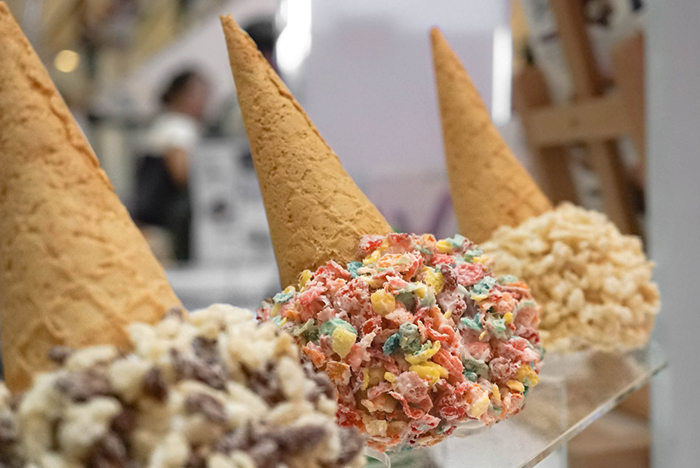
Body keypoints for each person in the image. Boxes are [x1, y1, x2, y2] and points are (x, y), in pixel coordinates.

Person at [133, 69, 209, 262]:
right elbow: (182, 174)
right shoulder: (179, 127)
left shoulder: (161, 124)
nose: (203, 103)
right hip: (166, 231)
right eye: (197, 95)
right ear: (179, 95)